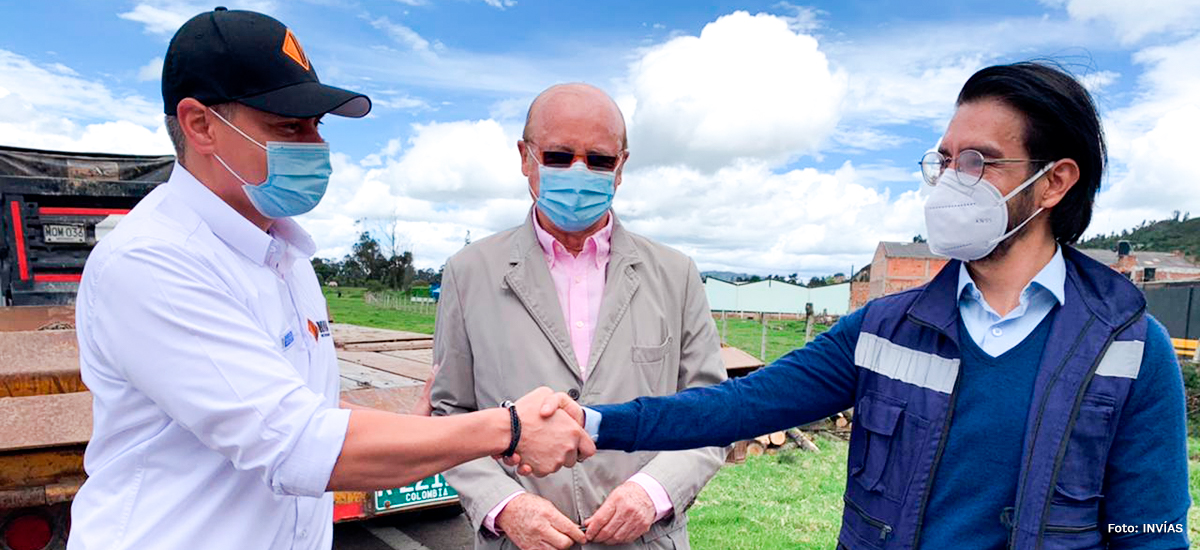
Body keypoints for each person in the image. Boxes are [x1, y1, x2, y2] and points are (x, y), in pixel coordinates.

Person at [538, 63, 1190, 549]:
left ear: (1054, 181)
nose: (952, 180)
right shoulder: (883, 331)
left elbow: (1149, 530)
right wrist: (589, 424)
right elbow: (737, 406)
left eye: (979, 161)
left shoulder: (1129, 347)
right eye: (943, 161)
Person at [69, 9, 592, 550]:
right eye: (289, 126)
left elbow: (293, 405)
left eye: (318, 125)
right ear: (201, 124)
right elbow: (295, 443)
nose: (315, 145)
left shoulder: (286, 257)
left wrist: (416, 431)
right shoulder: (155, 262)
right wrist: (506, 428)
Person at [429, 83, 728, 550]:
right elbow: (449, 414)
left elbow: (713, 413)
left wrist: (652, 492)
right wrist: (506, 505)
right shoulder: (469, 273)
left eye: (599, 160)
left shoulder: (676, 275)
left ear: (622, 166)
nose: (579, 171)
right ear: (525, 157)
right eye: (559, 156)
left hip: (646, 540)